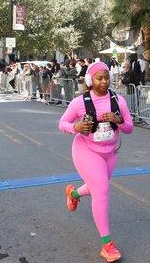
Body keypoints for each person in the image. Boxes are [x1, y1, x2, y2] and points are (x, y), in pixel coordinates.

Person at [58, 62, 133, 262]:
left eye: (107, 78)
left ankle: (73, 193)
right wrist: (76, 127)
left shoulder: (118, 100)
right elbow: (62, 123)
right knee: (101, 190)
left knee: (97, 188)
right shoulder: (79, 102)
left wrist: (118, 120)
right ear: (90, 80)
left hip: (110, 152)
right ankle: (107, 245)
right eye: (99, 78)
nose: (104, 82)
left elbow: (129, 127)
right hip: (86, 150)